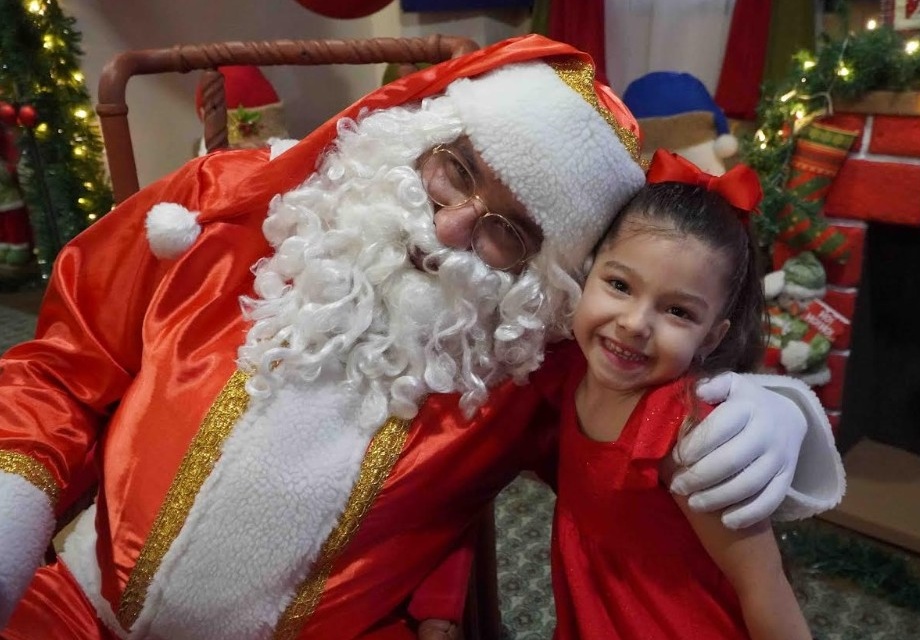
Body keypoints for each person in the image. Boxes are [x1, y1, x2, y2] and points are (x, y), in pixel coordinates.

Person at [0, 35, 842, 640]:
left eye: (509, 230)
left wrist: (774, 408)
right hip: (78, 602)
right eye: (457, 169)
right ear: (415, 135)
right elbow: (64, 367)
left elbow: (636, 457)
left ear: (544, 276)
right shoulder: (233, 210)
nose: (451, 228)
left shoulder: (519, 369)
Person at [552, 151, 813, 639]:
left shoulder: (689, 434)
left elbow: (764, 587)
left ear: (711, 337)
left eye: (677, 311)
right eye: (619, 285)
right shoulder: (571, 364)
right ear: (587, 273)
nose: (634, 324)